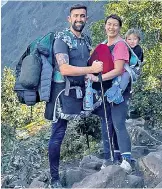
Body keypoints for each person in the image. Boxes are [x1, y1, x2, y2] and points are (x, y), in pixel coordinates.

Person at [44, 4, 103, 188]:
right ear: (69, 19)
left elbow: (86, 61)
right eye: (76, 16)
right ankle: (54, 178)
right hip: (62, 92)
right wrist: (91, 69)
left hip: (83, 90)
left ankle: (111, 157)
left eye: (82, 16)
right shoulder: (61, 39)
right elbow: (65, 68)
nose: (79, 19)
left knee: (105, 113)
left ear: (86, 18)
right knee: (58, 134)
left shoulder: (85, 39)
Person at [88, 14, 132, 173]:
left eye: (115, 25)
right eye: (109, 24)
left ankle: (127, 160)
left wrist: (97, 78)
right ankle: (112, 157)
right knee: (107, 124)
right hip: (105, 90)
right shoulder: (103, 45)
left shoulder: (120, 45)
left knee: (118, 123)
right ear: (105, 26)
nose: (111, 27)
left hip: (119, 90)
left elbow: (118, 70)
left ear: (119, 27)